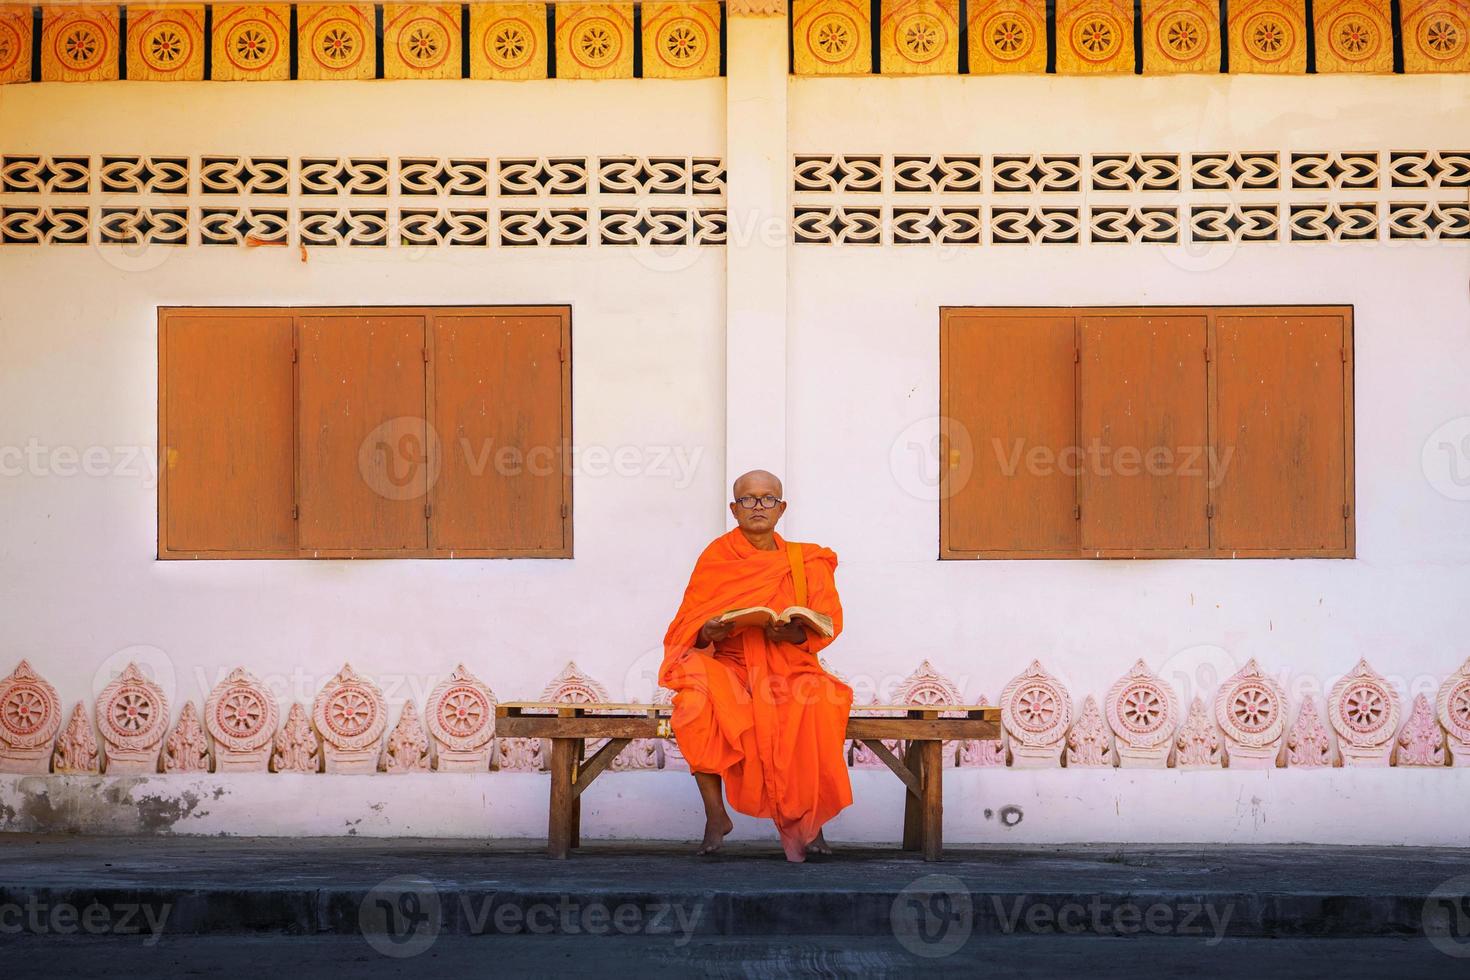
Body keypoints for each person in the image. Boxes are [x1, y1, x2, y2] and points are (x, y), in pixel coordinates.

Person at [659, 469, 853, 862]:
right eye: (749, 499)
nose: (758, 506)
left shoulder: (806, 560)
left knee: (817, 704)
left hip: (789, 667)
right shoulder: (717, 556)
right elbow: (688, 623)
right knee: (693, 705)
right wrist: (708, 630)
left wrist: (793, 635)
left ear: (782, 508)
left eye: (768, 499)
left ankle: (811, 823)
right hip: (731, 666)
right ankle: (716, 816)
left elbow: (827, 621)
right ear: (734, 509)